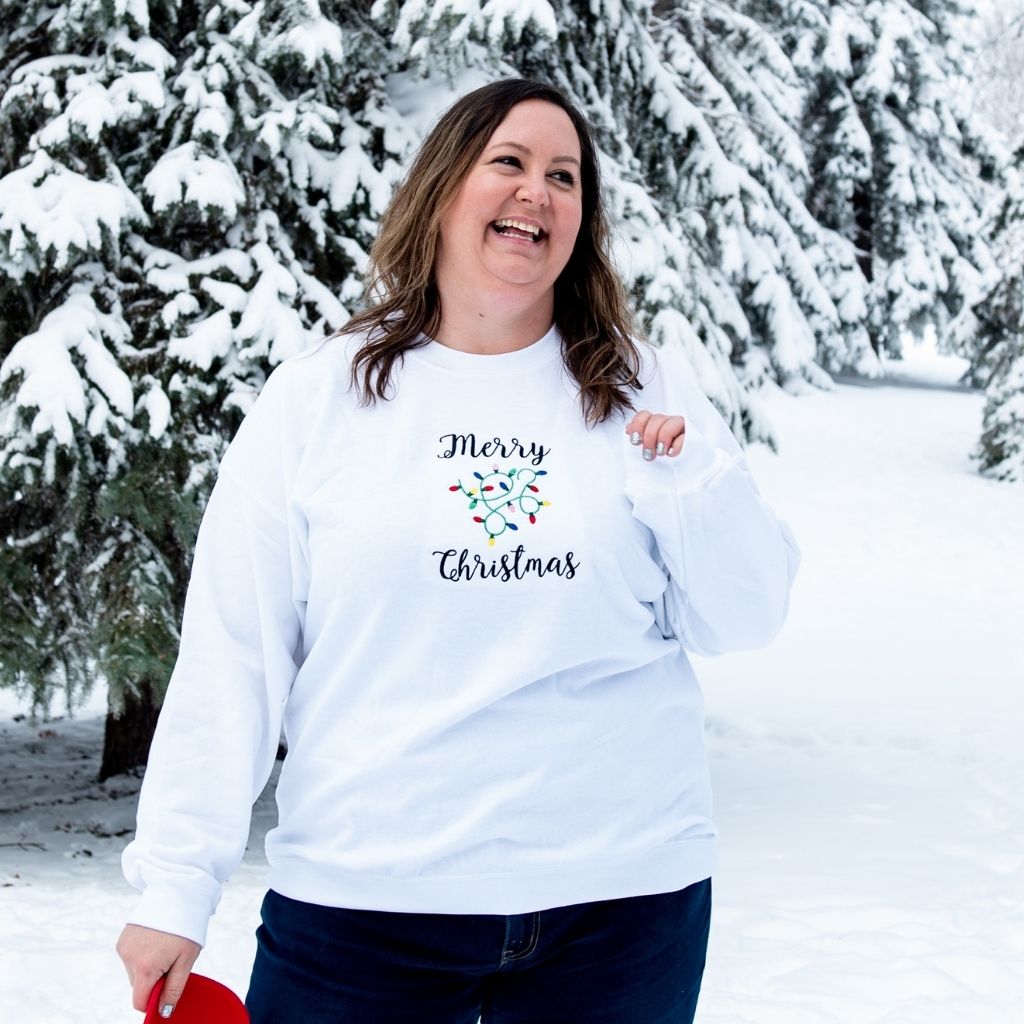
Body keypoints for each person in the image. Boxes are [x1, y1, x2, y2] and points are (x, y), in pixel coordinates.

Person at [116, 78, 800, 1023]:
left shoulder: (645, 390)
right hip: (367, 904)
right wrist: (173, 888)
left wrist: (689, 489)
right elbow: (236, 652)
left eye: (565, 176)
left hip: (620, 903)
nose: (538, 193)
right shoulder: (319, 399)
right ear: (444, 190)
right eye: (509, 164)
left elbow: (748, 614)